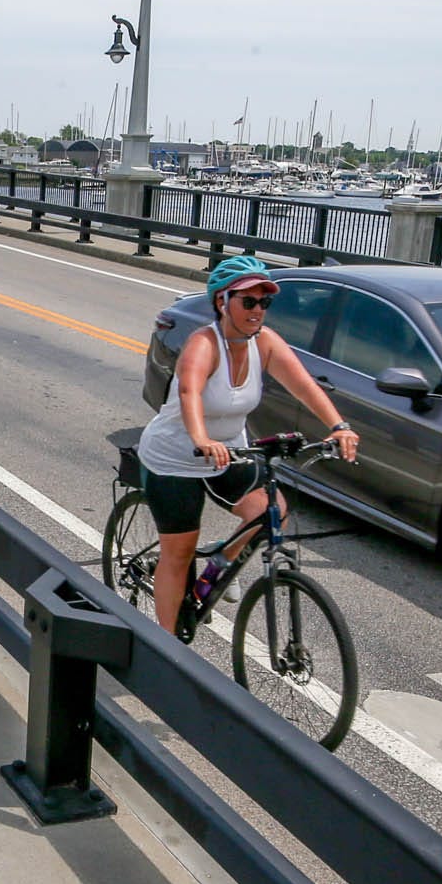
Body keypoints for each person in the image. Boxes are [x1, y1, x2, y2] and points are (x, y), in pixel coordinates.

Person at [133, 255, 360, 634]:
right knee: (179, 552)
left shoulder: (265, 343)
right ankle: (166, 648)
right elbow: (189, 392)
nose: (258, 310)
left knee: (271, 513)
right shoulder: (204, 344)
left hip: (230, 452)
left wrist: (340, 426)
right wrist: (201, 438)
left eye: (265, 302)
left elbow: (304, 386)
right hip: (175, 457)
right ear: (222, 302)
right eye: (249, 301)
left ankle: (220, 564)